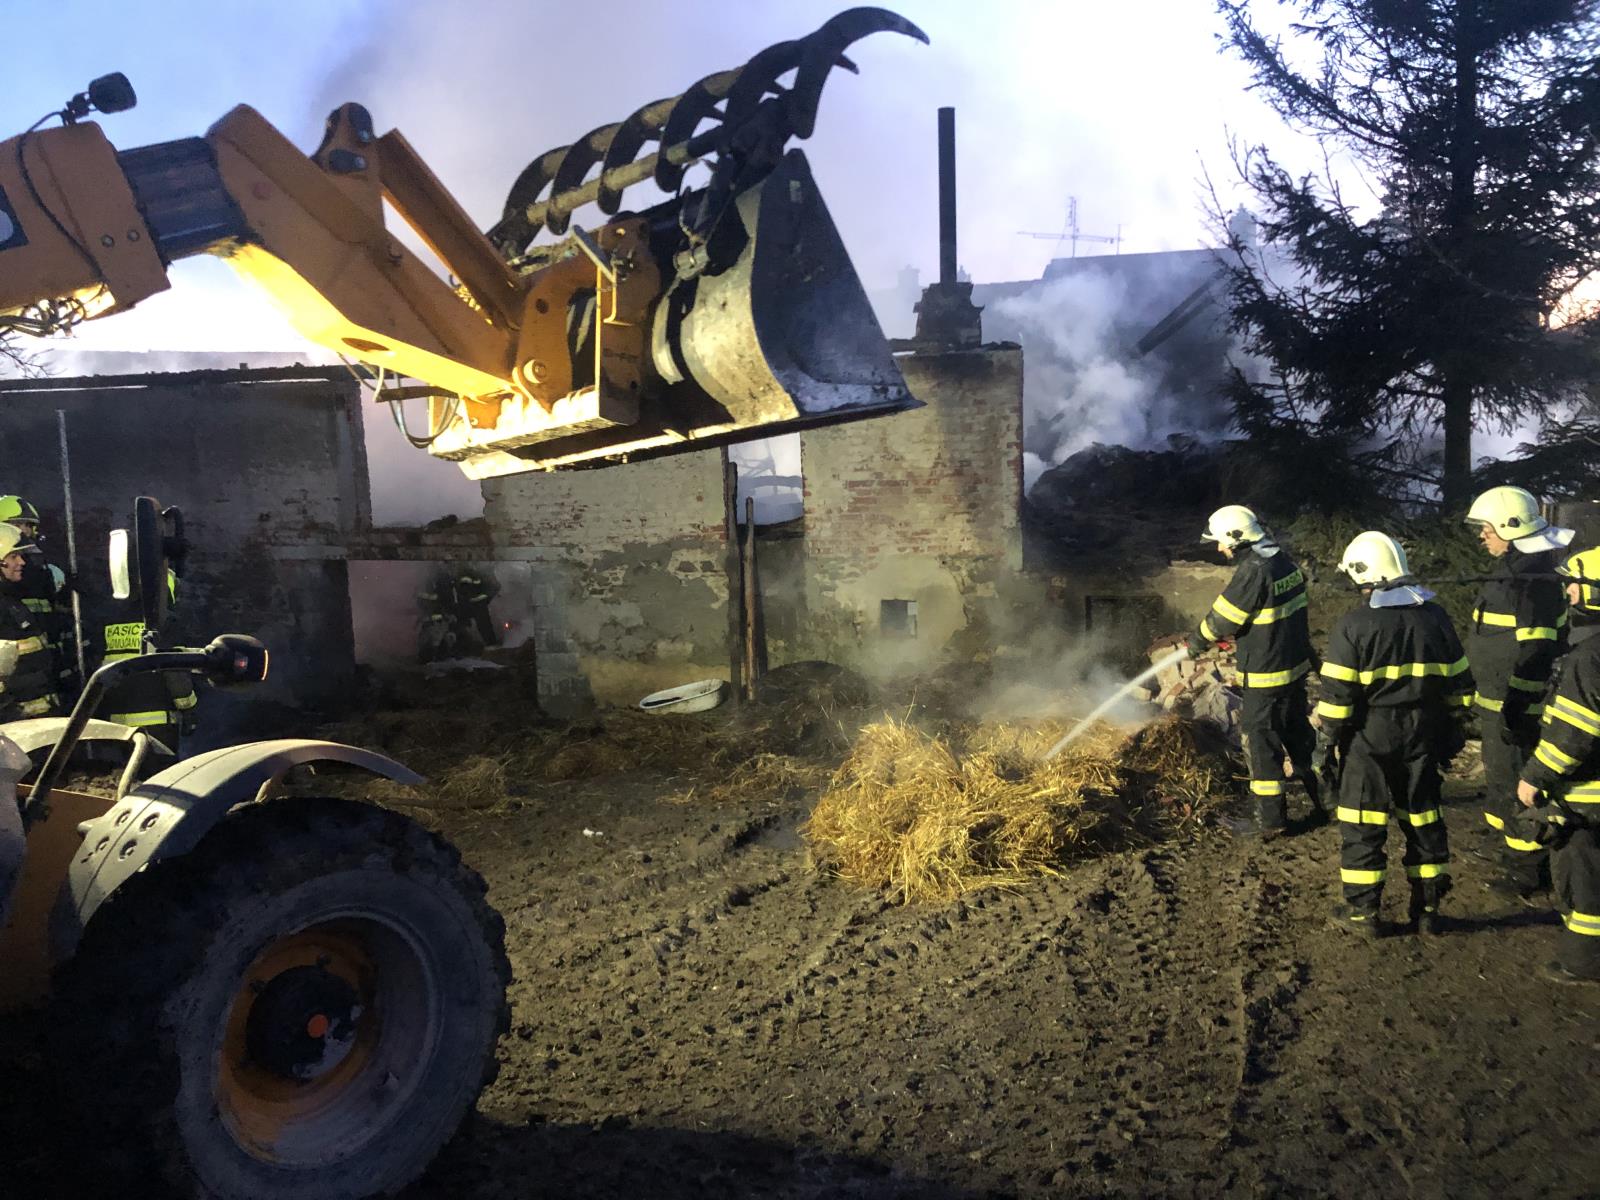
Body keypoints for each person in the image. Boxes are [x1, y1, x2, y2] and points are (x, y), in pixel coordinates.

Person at [1313, 532, 1474, 936]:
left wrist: (1325, 743)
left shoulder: (1354, 625)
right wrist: (1454, 727)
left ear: (1361, 574)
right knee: (1423, 817)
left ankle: (1363, 913)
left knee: (1363, 822)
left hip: (1369, 736)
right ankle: (1428, 911)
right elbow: (1460, 684)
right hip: (1424, 731)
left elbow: (1337, 699)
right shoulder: (1435, 617)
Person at [1463, 486, 1573, 904]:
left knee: (1517, 784)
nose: (1482, 536)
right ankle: (1509, 847)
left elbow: (1537, 649)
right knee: (1501, 781)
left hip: (1513, 707)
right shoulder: (1517, 569)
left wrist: (1518, 707)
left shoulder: (1530, 580)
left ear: (1511, 528)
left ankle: (1527, 867)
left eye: (1488, 528)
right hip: (1498, 704)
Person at [1186, 504, 1321, 836]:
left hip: (1266, 674)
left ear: (1237, 538)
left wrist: (1196, 642)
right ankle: (1329, 800)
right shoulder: (1281, 560)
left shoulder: (1254, 571)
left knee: (1260, 743)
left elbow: (1223, 619)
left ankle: (1269, 821)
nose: (1220, 548)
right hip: (1292, 668)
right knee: (1298, 735)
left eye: (1222, 541)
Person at [1514, 546, 1600, 983]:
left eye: (1576, 585)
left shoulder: (1589, 656)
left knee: (1582, 877)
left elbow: (1574, 734)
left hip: (1588, 797)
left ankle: (1583, 962)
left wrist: (1535, 777)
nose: (1568, 592)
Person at [97, 566, 197, 753]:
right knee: (162, 770)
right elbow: (175, 672)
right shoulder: (164, 623)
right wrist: (188, 710)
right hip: (157, 723)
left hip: (118, 724)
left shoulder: (112, 621)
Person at [0, 495, 78, 700]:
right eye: (17, 524)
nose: (25, 531)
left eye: (29, 525)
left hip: (46, 678)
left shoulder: (44, 573)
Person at [0, 521, 60, 721]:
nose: (22, 562)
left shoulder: (11, 601)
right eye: (13, 556)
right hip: (14, 725)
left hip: (35, 720)